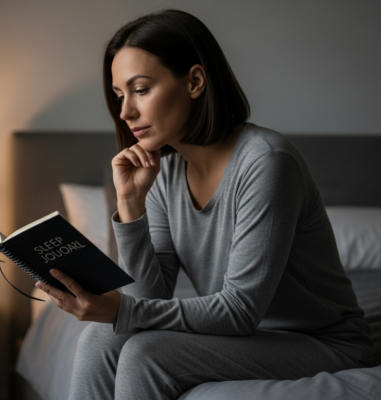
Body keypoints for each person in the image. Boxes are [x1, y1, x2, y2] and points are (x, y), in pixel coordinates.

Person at [34, 9, 372, 399]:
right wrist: (130, 203)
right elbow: (150, 298)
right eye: (119, 95)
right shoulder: (165, 171)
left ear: (195, 81)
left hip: (322, 343)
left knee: (147, 353)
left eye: (141, 89)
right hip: (248, 337)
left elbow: (240, 310)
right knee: (98, 338)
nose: (126, 112)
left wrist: (122, 311)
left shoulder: (266, 162)